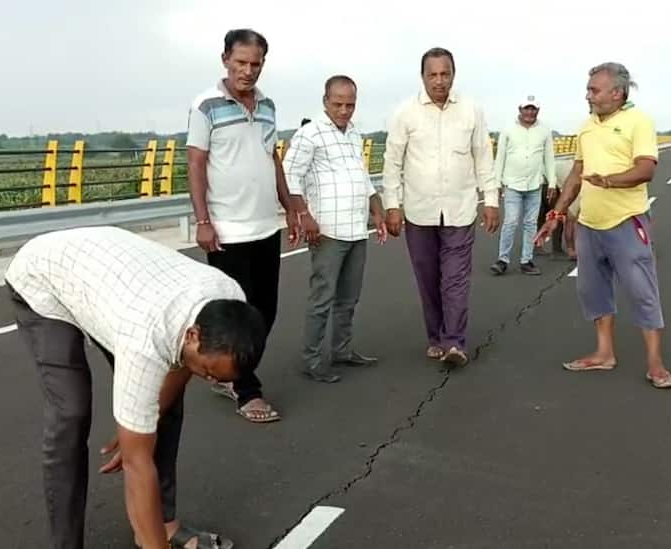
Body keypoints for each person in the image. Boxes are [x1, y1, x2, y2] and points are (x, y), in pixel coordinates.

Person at [5, 226, 268, 549]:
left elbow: (182, 370)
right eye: (210, 371)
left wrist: (142, 424)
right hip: (44, 280)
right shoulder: (145, 338)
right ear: (193, 335)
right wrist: (136, 444)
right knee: (70, 413)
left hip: (115, 283)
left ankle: (163, 525)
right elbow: (136, 465)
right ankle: (66, 544)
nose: (213, 381)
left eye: (221, 379)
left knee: (165, 410)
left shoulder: (230, 301)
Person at [535, 62, 671, 389]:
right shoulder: (586, 126)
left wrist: (610, 182)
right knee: (592, 290)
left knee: (643, 291)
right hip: (589, 224)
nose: (588, 96)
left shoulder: (638, 122)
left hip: (627, 221)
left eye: (594, 90)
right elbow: (575, 174)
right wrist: (556, 215)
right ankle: (604, 353)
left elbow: (646, 170)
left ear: (617, 92)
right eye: (588, 89)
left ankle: (655, 364)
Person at [186, 28, 299, 423]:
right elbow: (196, 163)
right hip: (228, 230)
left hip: (266, 225)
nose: (248, 71)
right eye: (241, 63)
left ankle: (226, 372)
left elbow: (273, 160)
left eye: (255, 64)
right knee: (240, 316)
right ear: (225, 60)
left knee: (266, 312)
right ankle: (248, 391)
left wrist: (292, 208)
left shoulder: (267, 105)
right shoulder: (206, 105)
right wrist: (203, 221)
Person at [382, 47, 500, 367]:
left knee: (455, 278)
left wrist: (490, 199)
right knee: (428, 277)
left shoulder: (471, 110)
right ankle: (435, 336)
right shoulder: (405, 112)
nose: (439, 81)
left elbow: (483, 157)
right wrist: (392, 206)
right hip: (419, 211)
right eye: (432, 74)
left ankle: (454, 342)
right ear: (422, 77)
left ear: (453, 74)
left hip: (460, 209)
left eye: (444, 73)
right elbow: (392, 162)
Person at [283, 75, 387, 383]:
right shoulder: (310, 134)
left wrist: (377, 211)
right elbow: (289, 176)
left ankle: (341, 350)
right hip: (327, 230)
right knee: (322, 299)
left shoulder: (354, 134)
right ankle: (312, 359)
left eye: (350, 104)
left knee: (349, 298)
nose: (344, 110)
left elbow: (363, 178)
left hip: (356, 228)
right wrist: (304, 215)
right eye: (338, 104)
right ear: (325, 101)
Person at [490, 95, 557, 276]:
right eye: (527, 108)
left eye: (533, 109)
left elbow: (549, 158)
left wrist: (552, 181)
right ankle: (503, 259)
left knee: (530, 224)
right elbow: (500, 157)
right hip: (513, 183)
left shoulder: (544, 131)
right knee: (510, 222)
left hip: (534, 184)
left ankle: (526, 260)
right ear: (520, 109)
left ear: (538, 110)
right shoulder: (509, 130)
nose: (530, 112)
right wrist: (496, 183)